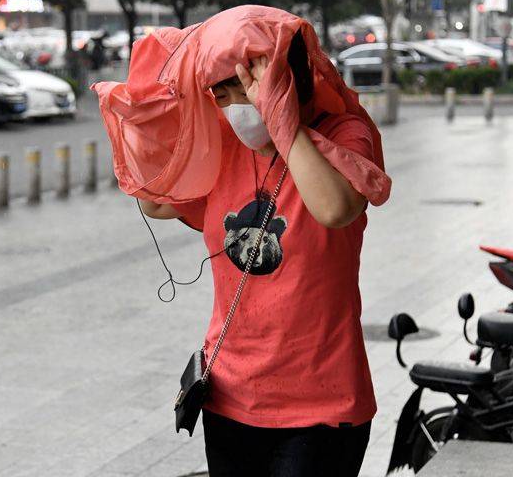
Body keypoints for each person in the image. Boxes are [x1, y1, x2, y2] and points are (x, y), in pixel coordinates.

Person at [136, 27, 388, 476]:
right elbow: (154, 200)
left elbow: (335, 208)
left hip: (321, 405)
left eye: (247, 87)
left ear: (291, 79)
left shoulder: (344, 132)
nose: (235, 104)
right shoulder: (225, 144)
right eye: (222, 92)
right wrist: (152, 120)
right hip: (231, 396)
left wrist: (284, 125)